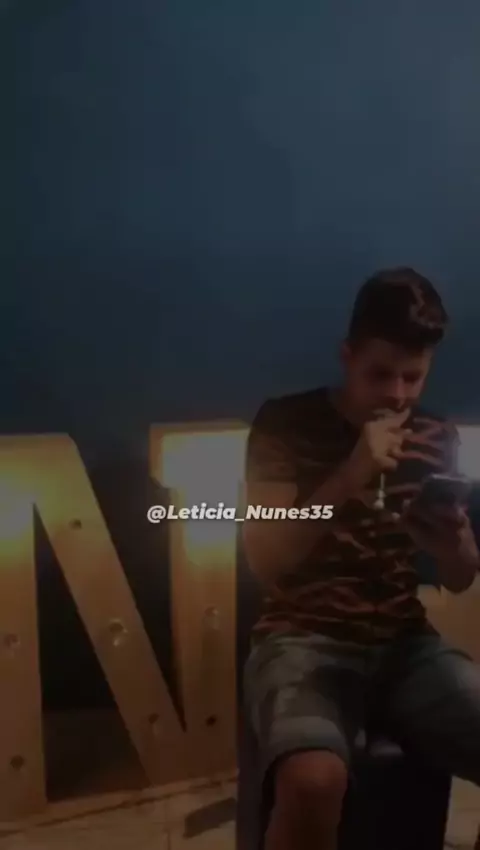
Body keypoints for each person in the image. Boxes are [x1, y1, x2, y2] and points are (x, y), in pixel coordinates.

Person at [242, 267, 480, 850]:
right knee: (313, 781)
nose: (397, 394)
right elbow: (266, 559)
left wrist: (454, 547)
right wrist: (351, 473)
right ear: (347, 357)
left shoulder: (435, 436)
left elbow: (460, 578)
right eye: (379, 374)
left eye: (412, 377)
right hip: (303, 637)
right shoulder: (284, 424)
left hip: (405, 642)